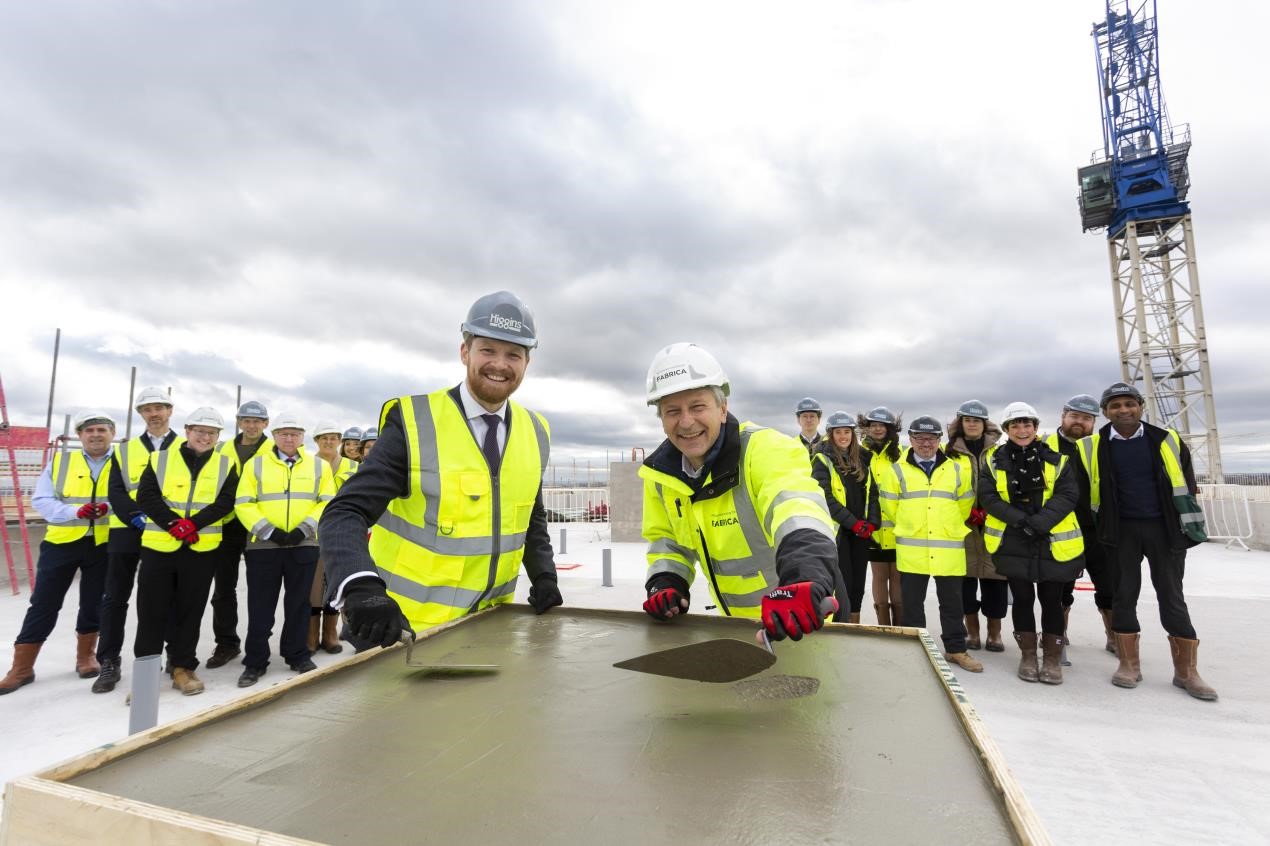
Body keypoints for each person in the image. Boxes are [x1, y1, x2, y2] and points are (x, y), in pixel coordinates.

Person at [319, 291, 563, 649]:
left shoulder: (536, 430)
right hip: (403, 632)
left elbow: (531, 512)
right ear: (465, 352)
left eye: (514, 354)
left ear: (527, 362)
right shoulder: (415, 423)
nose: (500, 364)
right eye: (488, 350)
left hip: (489, 628)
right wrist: (360, 586)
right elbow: (344, 512)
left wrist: (543, 574)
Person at [639, 343, 840, 641]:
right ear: (662, 420)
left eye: (697, 406)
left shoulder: (765, 448)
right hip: (733, 626)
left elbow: (797, 509)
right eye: (672, 411)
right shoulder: (661, 476)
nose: (685, 421)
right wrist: (666, 581)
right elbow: (667, 541)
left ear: (722, 409)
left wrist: (804, 577)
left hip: (799, 616)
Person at [1078, 382, 1216, 701]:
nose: (1123, 410)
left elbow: (1187, 484)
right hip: (1119, 531)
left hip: (1164, 530)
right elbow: (1084, 493)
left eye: (1130, 404)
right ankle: (1128, 664)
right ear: (1105, 413)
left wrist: (1186, 527)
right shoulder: (1090, 446)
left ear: (1140, 407)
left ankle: (1187, 672)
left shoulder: (1166, 440)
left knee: (1172, 596)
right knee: (1123, 595)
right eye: (1115, 406)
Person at [1, 412, 115, 695]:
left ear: (112, 433)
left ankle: (85, 657)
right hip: (62, 542)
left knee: (94, 603)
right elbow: (41, 499)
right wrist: (75, 511)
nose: (95, 434)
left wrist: (108, 508)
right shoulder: (62, 461)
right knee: (43, 604)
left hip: (103, 543)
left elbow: (133, 497)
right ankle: (22, 668)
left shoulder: (122, 463)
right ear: (80, 435)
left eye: (101, 429)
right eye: (89, 430)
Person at [133, 407, 238, 696]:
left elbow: (226, 502)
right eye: (200, 431)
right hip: (160, 548)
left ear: (218, 437)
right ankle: (144, 678)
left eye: (212, 433)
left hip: (200, 549)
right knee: (151, 611)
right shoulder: (160, 459)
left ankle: (182, 668)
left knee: (190, 611)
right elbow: (146, 496)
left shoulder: (226, 465)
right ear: (188, 431)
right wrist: (172, 524)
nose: (205, 437)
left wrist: (193, 524)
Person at [979, 402, 1084, 685]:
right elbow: (988, 497)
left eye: (1027, 425)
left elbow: (1068, 495)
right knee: (1022, 599)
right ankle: (1027, 656)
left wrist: (1039, 522)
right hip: (1013, 540)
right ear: (1006, 430)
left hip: (1050, 540)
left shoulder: (1057, 460)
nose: (1021, 430)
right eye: (1015, 425)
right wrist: (1021, 521)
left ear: (1036, 428)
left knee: (1052, 600)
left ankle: (1051, 659)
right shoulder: (992, 460)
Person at [233, 414, 335, 687]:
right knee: (260, 606)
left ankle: (297, 654)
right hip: (265, 546)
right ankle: (255, 661)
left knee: (300, 603)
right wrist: (268, 530)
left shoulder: (318, 467)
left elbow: (327, 501)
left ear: (302, 437)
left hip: (303, 544)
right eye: (284, 434)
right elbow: (243, 502)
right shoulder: (255, 465)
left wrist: (305, 528)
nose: (289, 439)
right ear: (275, 436)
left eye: (294, 434)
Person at [93, 387, 183, 694]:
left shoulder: (186, 446)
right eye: (148, 409)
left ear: (170, 411)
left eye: (160, 407)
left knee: (169, 596)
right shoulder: (125, 449)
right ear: (140, 414)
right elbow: (116, 490)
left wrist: (164, 521)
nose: (154, 413)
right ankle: (108, 660)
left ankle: (173, 655)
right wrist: (135, 516)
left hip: (167, 532)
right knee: (115, 597)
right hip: (127, 530)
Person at [878, 415, 982, 672]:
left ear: (939, 440)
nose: (926, 443)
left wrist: (944, 525)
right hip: (913, 549)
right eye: (920, 438)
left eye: (932, 438)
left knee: (952, 603)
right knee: (913, 604)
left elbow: (964, 504)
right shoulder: (897, 471)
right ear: (910, 439)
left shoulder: (957, 469)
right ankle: (917, 651)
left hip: (948, 547)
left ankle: (956, 649)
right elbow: (889, 508)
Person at [1044, 394, 1116, 655]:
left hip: (1097, 529)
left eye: (1086, 418)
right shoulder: (1045, 445)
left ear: (1094, 422)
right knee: (1060, 588)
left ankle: (1114, 636)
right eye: (1074, 416)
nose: (1079, 422)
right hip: (1060, 530)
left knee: (1109, 585)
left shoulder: (1102, 445)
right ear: (1063, 416)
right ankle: (1058, 634)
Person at [205, 400, 273, 670]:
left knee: (261, 590)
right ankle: (226, 643)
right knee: (223, 589)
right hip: (228, 525)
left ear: (266, 424)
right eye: (246, 420)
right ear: (239, 421)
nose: (252, 425)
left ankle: (259, 645)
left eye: (257, 421)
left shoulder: (276, 449)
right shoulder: (221, 449)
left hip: (259, 525)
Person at [946, 400, 1006, 653]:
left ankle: (995, 633)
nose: (972, 424)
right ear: (960, 423)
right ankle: (973, 632)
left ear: (985, 424)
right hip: (963, 525)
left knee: (996, 582)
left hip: (994, 523)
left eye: (977, 420)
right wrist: (965, 511)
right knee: (965, 583)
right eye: (967, 419)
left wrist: (991, 510)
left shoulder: (1000, 451)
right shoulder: (948, 452)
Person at [810, 411, 875, 623]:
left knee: (858, 582)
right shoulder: (822, 459)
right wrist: (853, 523)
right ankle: (842, 624)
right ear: (831, 434)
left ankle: (854, 625)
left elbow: (873, 492)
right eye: (838, 432)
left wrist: (871, 523)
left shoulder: (864, 458)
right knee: (843, 583)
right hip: (839, 532)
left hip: (862, 531)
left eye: (847, 432)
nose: (843, 436)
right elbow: (826, 498)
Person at [308, 421, 356, 655]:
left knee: (335, 582)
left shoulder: (351, 466)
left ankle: (330, 634)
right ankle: (310, 634)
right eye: (324, 438)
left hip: (341, 533)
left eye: (333, 438)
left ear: (340, 441)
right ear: (316, 441)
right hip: (313, 533)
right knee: (313, 586)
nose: (329, 442)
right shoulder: (308, 465)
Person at [860, 406, 903, 625]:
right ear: (866, 428)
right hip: (873, 530)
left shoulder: (901, 455)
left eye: (882, 425)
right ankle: (883, 625)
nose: (877, 429)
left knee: (897, 578)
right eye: (873, 425)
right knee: (879, 576)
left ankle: (900, 624)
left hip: (898, 528)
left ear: (890, 429)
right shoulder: (858, 453)